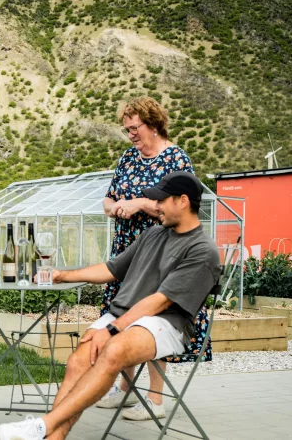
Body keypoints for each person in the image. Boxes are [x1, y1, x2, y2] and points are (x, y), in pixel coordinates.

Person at [0, 171, 221, 440]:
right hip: (125, 315)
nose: (156, 206)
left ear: (183, 201)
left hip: (166, 323)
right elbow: (112, 269)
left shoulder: (202, 249)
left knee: (112, 350)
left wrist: (112, 329)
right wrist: (62, 275)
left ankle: (44, 424)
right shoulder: (153, 234)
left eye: (162, 200)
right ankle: (50, 436)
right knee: (79, 360)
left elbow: (160, 301)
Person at [99, 96, 211, 421]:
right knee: (125, 316)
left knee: (152, 321)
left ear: (153, 124)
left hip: (162, 251)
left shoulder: (176, 159)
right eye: (127, 129)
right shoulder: (127, 159)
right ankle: (124, 390)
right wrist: (115, 207)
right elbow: (107, 199)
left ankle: (155, 399)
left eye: (135, 128)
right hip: (127, 249)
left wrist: (138, 204)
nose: (131, 134)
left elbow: (183, 207)